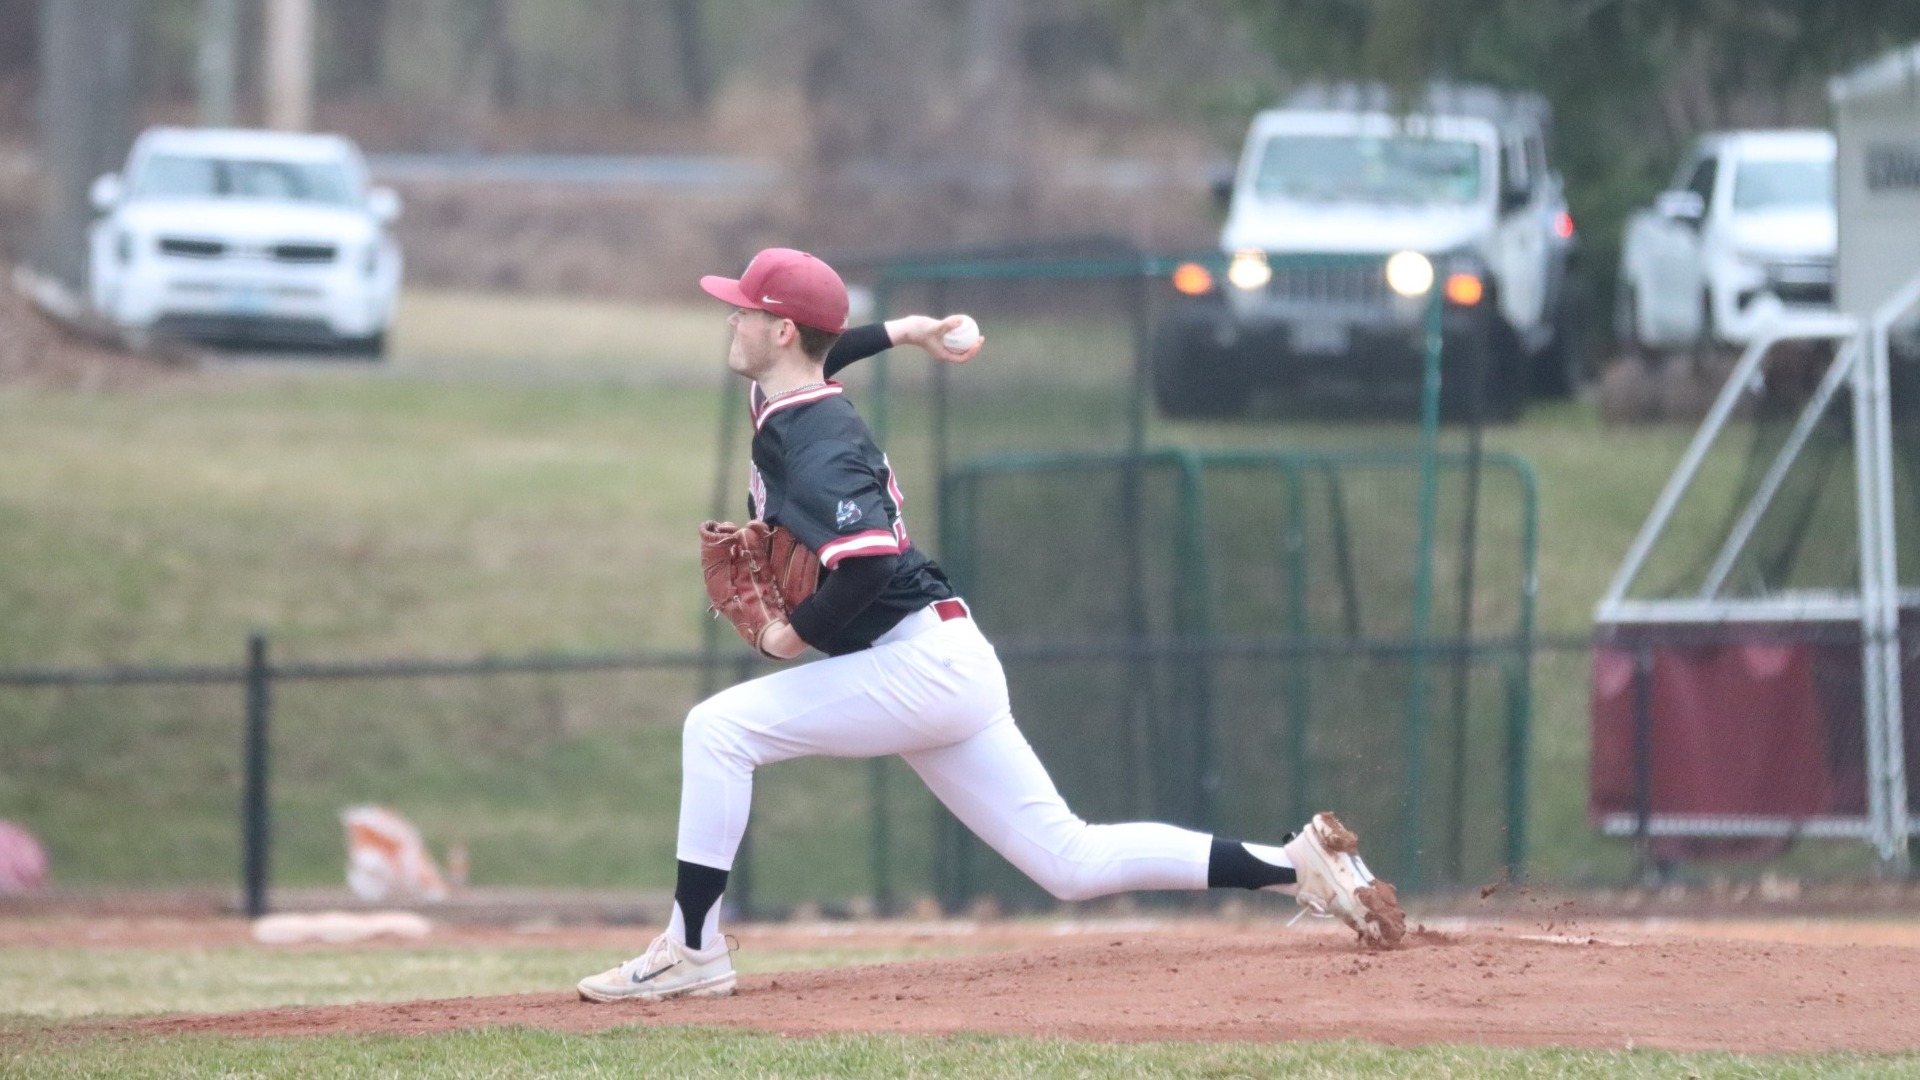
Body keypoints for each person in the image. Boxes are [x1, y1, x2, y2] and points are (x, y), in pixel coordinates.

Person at [577, 248, 1403, 1003]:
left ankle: (692, 949)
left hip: (918, 666)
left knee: (718, 730)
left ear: (782, 330)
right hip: (941, 656)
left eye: (747, 309)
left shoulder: (820, 438)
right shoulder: (787, 395)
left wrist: (792, 639)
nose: (733, 318)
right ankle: (1295, 864)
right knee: (1069, 861)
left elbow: (868, 564)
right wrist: (903, 330)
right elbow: (826, 353)